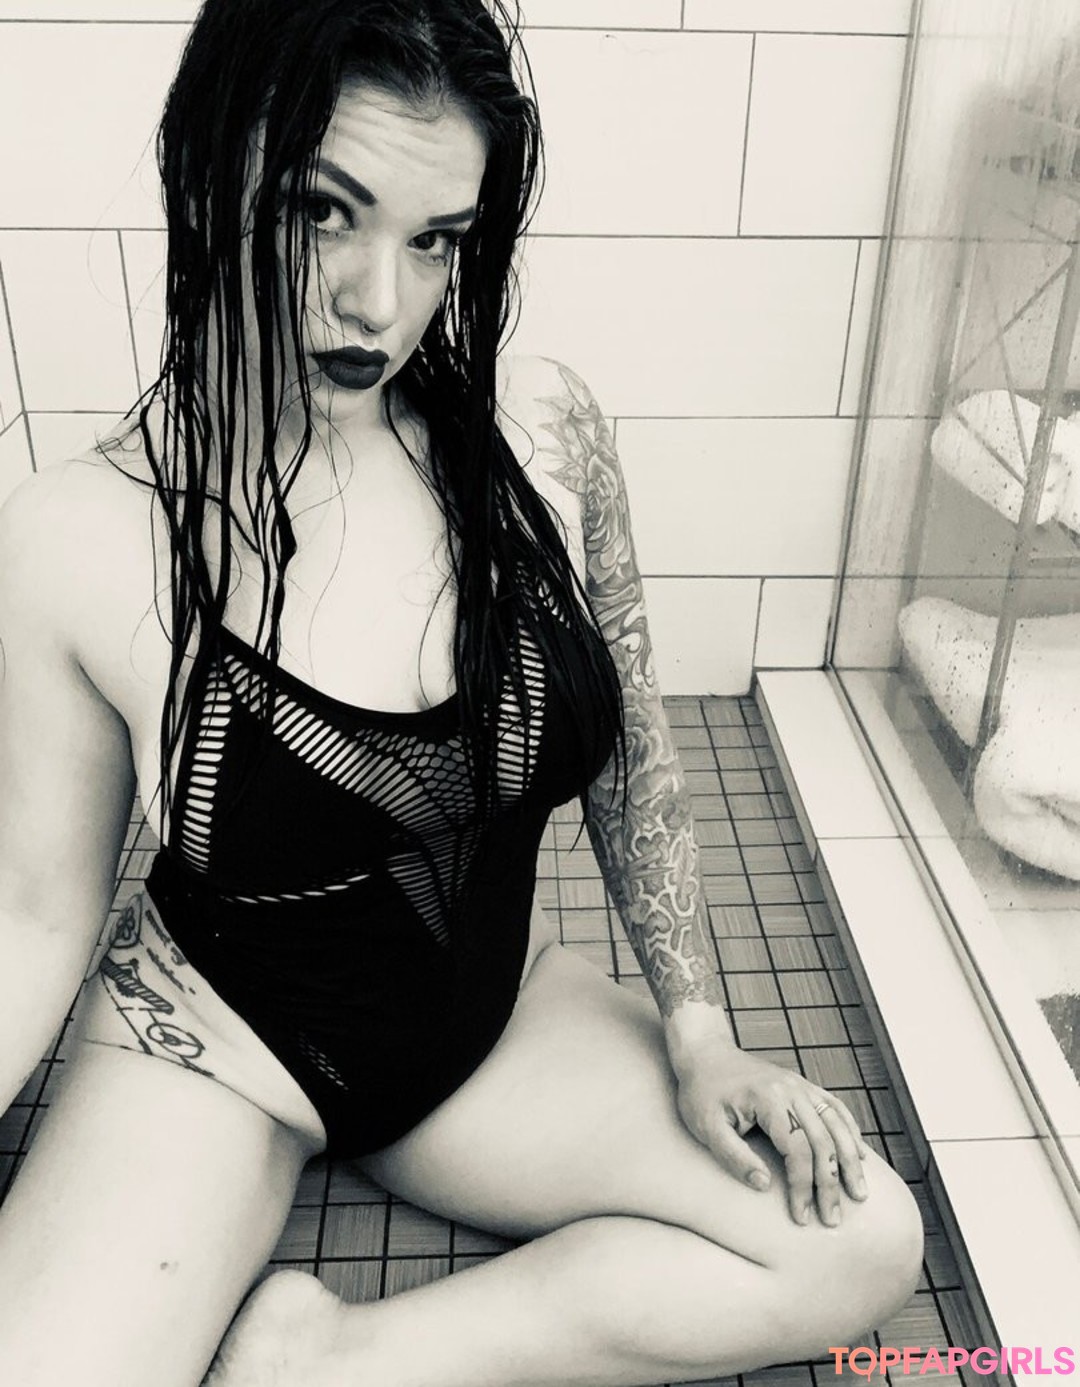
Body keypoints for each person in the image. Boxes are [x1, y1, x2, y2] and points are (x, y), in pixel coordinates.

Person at [0, 3, 924, 1384]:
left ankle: (329, 1362)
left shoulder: (539, 435)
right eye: (321, 212)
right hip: (216, 1050)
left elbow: (636, 757)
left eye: (436, 238)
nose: (380, 300)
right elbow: (29, 910)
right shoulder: (81, 536)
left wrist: (698, 1034)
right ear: (205, 175)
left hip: (485, 1033)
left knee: (860, 1241)